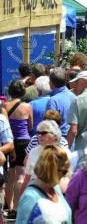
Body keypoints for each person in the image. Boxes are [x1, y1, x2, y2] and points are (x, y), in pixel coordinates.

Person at [16, 145, 71, 223]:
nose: (64, 175)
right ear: (50, 169)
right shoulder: (30, 197)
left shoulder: (56, 188)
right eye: (64, 171)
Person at [3, 80, 33, 218]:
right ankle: (16, 208)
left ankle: (7, 206)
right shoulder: (27, 107)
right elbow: (30, 126)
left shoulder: (4, 106)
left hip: (8, 143)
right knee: (21, 175)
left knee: (9, 176)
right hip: (24, 142)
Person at [20, 120, 70, 196]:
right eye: (38, 133)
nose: (39, 136)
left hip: (58, 194)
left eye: (43, 133)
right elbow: (26, 179)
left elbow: (68, 178)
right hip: (35, 193)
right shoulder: (33, 152)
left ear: (55, 135)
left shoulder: (65, 153)